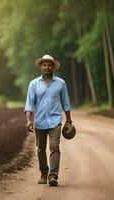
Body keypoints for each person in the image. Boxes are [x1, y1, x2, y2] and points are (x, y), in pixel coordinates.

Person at [24, 54, 72, 187]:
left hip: (55, 120)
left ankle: (53, 176)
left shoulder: (61, 83)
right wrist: (29, 120)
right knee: (40, 149)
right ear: (40, 67)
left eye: (49, 65)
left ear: (53, 67)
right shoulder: (33, 84)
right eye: (44, 65)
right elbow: (29, 104)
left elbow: (66, 103)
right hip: (39, 121)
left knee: (55, 148)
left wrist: (69, 120)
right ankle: (44, 173)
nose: (47, 67)